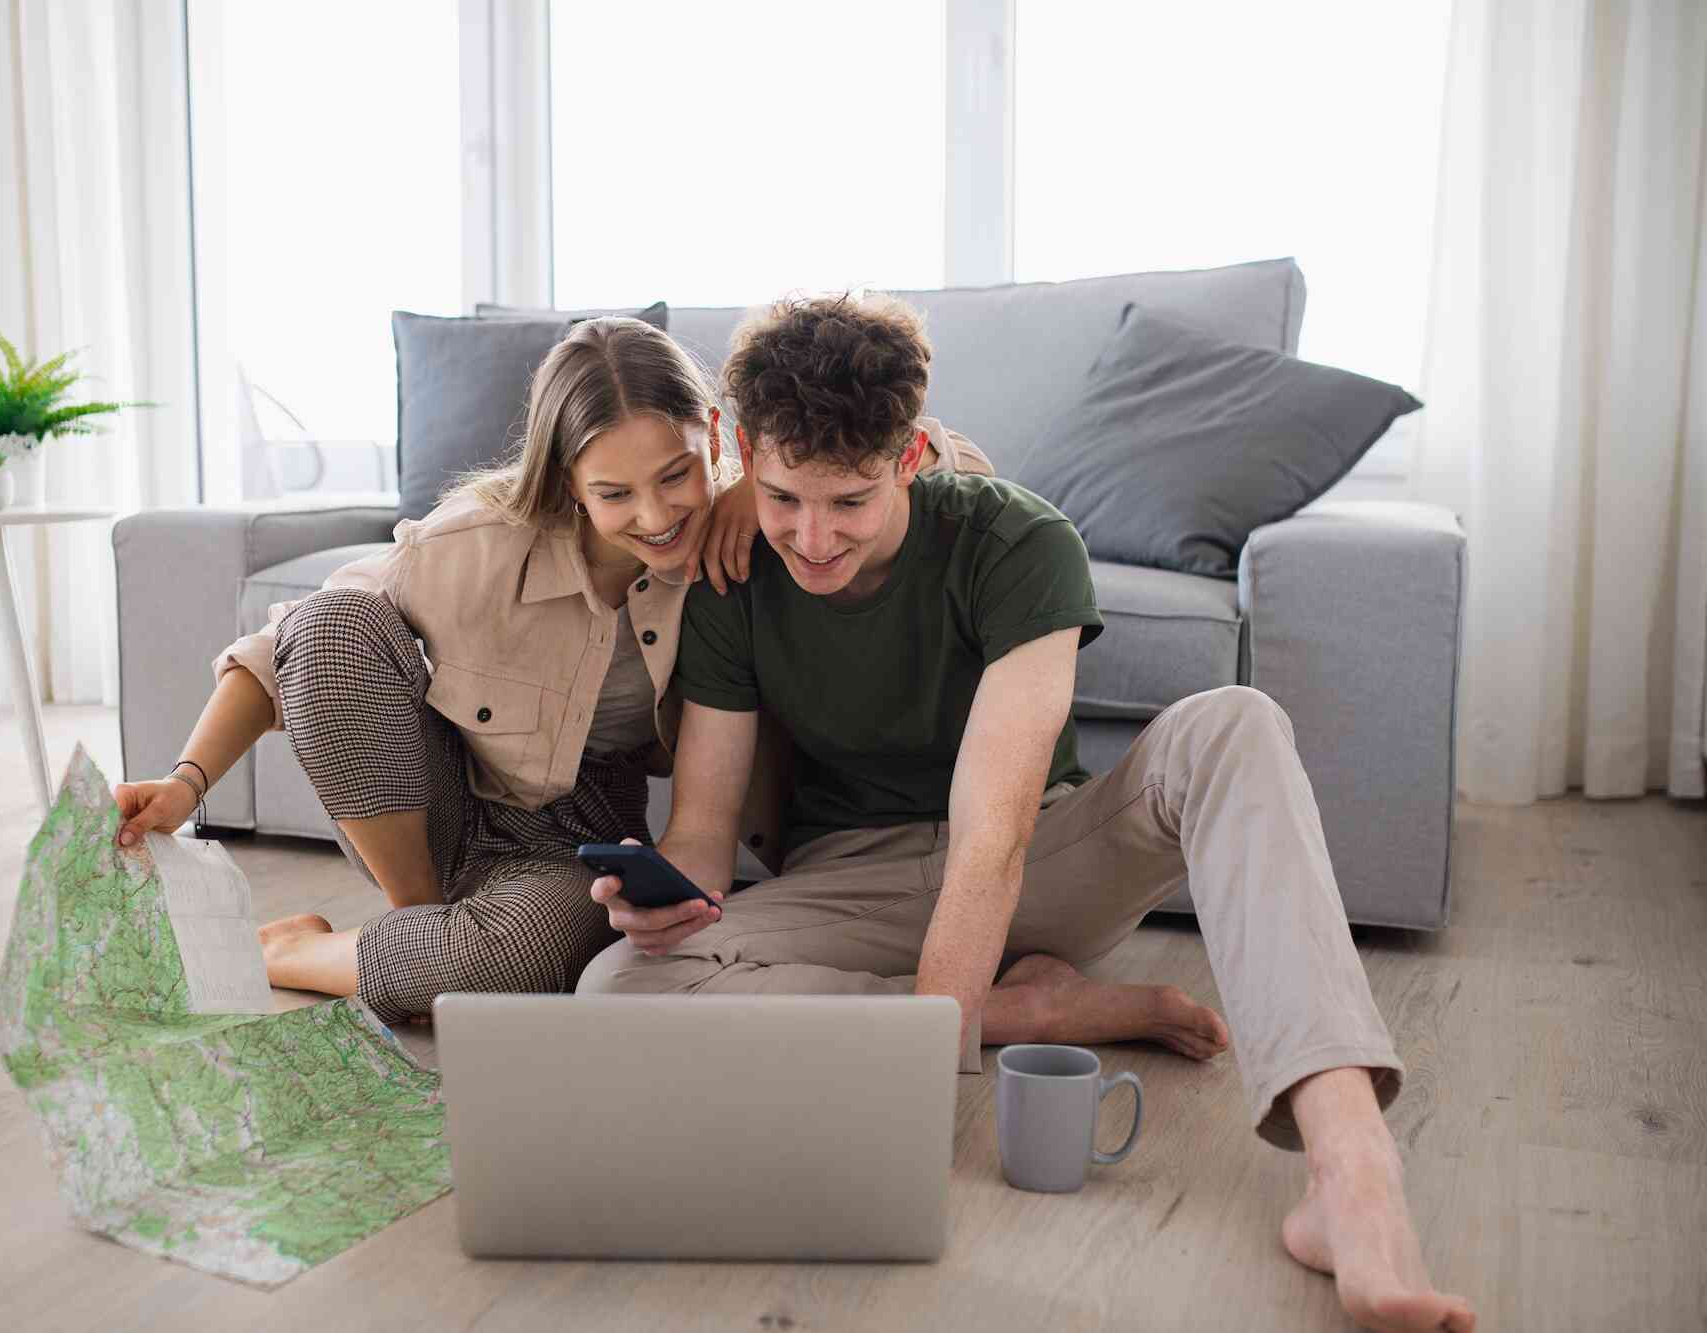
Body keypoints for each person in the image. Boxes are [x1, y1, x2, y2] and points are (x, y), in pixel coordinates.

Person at [576, 294, 1476, 1333]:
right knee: (617, 982)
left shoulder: (1018, 543)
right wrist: (667, 896)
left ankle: (1350, 1173)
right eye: (782, 497)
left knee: (1233, 724)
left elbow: (992, 837)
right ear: (741, 452)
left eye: (849, 502)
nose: (811, 538)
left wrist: (923, 1088)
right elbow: (701, 828)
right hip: (849, 880)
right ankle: (1034, 1013)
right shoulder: (737, 572)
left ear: (911, 455)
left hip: (1037, 862)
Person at [108, 314, 983, 1027]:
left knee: (529, 963)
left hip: (580, 836)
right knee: (332, 622)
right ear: (569, 481)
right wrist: (187, 784)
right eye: (614, 494)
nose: (655, 514)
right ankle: (415, 927)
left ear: (715, 435)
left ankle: (300, 951)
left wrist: (763, 483)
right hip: (442, 800)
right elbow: (286, 651)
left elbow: (958, 471)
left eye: (677, 474)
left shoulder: (752, 524)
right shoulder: (473, 542)